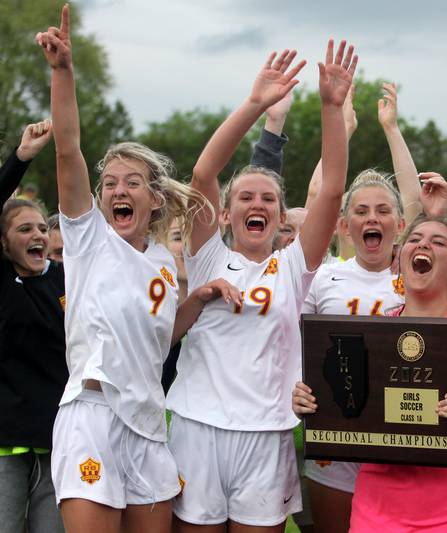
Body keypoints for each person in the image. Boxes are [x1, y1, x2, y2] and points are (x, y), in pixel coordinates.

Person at [37, 7, 238, 532]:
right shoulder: (87, 238)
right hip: (94, 415)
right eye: (111, 183)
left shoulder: (163, 265)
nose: (118, 190)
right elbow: (67, 150)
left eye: (132, 182)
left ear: (153, 199)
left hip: (149, 426)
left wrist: (199, 297)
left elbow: (158, 339)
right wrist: (63, 73)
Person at [165, 40, 354, 532]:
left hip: (267, 433)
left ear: (278, 212)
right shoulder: (208, 255)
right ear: (225, 213)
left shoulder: (294, 265)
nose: (258, 203)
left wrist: (332, 109)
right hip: (197, 426)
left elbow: (332, 188)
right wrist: (255, 104)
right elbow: (205, 172)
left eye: (268, 198)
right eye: (245, 196)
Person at [295, 212, 447, 532]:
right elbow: (350, 407)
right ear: (399, 260)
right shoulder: (370, 333)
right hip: (377, 514)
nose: (424, 244)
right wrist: (314, 403)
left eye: (439, 242)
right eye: (414, 240)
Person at [301, 169, 447, 531]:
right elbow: (296, 348)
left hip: (399, 439)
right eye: (362, 210)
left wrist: (435, 217)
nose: (372, 218)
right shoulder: (322, 278)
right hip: (335, 437)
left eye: (383, 211)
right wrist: (300, 389)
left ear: (400, 224)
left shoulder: (418, 281)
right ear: (343, 225)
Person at [0, 119, 68, 533]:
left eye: (43, 227)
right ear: (4, 242)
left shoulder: (65, 281)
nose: (38, 235)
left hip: (58, 444)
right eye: (24, 229)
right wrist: (21, 158)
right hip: (5, 447)